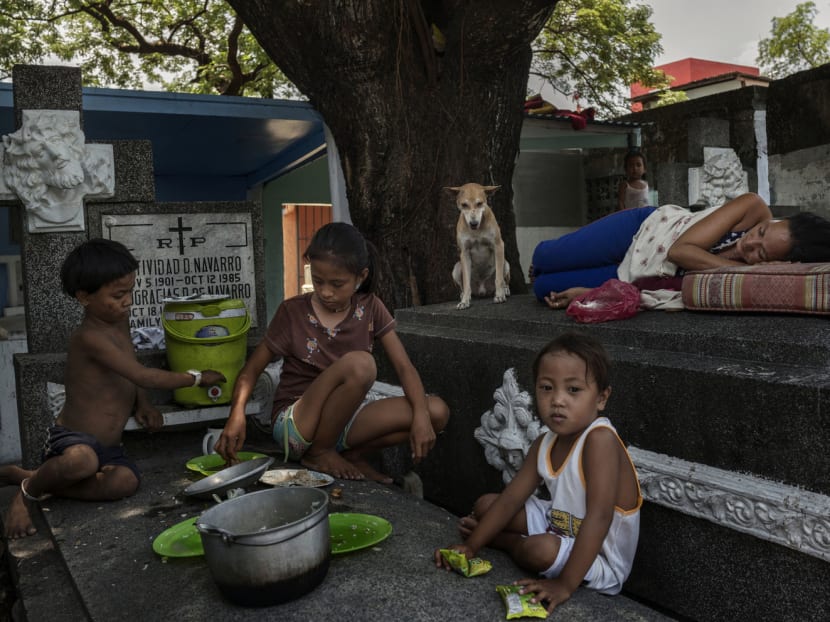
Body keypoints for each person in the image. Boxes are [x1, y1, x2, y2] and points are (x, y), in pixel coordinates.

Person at [0, 239, 226, 539]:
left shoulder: (118, 320)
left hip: (109, 448)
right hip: (72, 442)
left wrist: (142, 403)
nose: (128, 301)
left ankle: (38, 480)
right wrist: (196, 378)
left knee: (126, 482)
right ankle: (26, 493)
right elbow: (143, 374)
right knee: (82, 461)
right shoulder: (88, 338)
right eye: (119, 295)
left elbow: (129, 367)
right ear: (84, 297)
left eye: (130, 292)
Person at [213, 222, 450, 482]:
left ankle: (352, 455)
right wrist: (237, 414)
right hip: (298, 424)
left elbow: (405, 368)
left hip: (344, 420)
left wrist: (420, 416)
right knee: (362, 364)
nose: (326, 292)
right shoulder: (292, 312)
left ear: (361, 277)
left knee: (435, 412)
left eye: (337, 284)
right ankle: (319, 453)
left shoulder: (370, 307)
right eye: (318, 280)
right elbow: (252, 369)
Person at [434, 332, 641, 614]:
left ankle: (507, 543)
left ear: (601, 398)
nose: (557, 400)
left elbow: (600, 516)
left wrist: (564, 585)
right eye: (546, 388)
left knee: (538, 551)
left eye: (573, 390)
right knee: (486, 505)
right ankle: (496, 538)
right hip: (560, 522)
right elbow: (510, 499)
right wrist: (471, 547)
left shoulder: (599, 439)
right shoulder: (545, 442)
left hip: (599, 557)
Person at [530, 192, 830, 309]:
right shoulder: (752, 207)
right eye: (762, 232)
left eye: (761, 253)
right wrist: (746, 267)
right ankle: (543, 262)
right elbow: (680, 251)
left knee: (543, 287)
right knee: (544, 257)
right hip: (640, 232)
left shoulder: (757, 275)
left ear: (781, 263)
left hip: (632, 275)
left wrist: (590, 291)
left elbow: (663, 291)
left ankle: (542, 274)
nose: (750, 243)